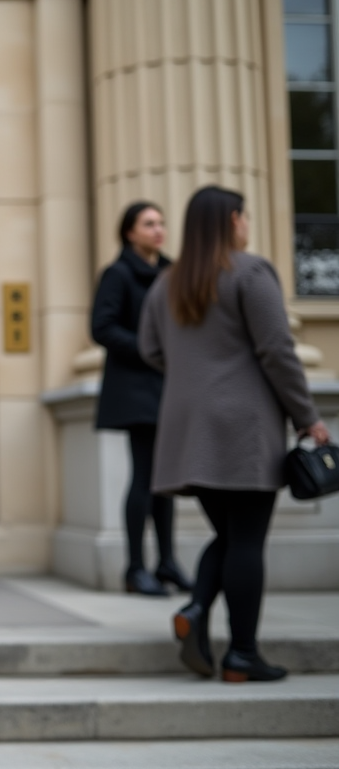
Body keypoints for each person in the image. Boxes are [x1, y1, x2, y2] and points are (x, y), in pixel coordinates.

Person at [139, 185, 330, 683]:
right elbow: (278, 352)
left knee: (229, 534)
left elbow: (151, 351)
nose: (247, 224)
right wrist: (308, 416)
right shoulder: (249, 271)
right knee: (247, 540)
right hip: (243, 428)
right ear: (231, 221)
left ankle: (197, 608)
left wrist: (196, 376)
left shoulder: (166, 284)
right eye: (244, 216)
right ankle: (242, 654)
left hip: (188, 431)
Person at [91, 201, 192, 597]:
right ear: (129, 232)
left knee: (165, 479)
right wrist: (151, 349)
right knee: (145, 477)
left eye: (162, 223)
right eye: (149, 223)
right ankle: (135, 568)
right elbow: (102, 327)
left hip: (169, 387)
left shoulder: (172, 272)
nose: (158, 230)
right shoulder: (117, 274)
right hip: (135, 388)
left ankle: (166, 562)